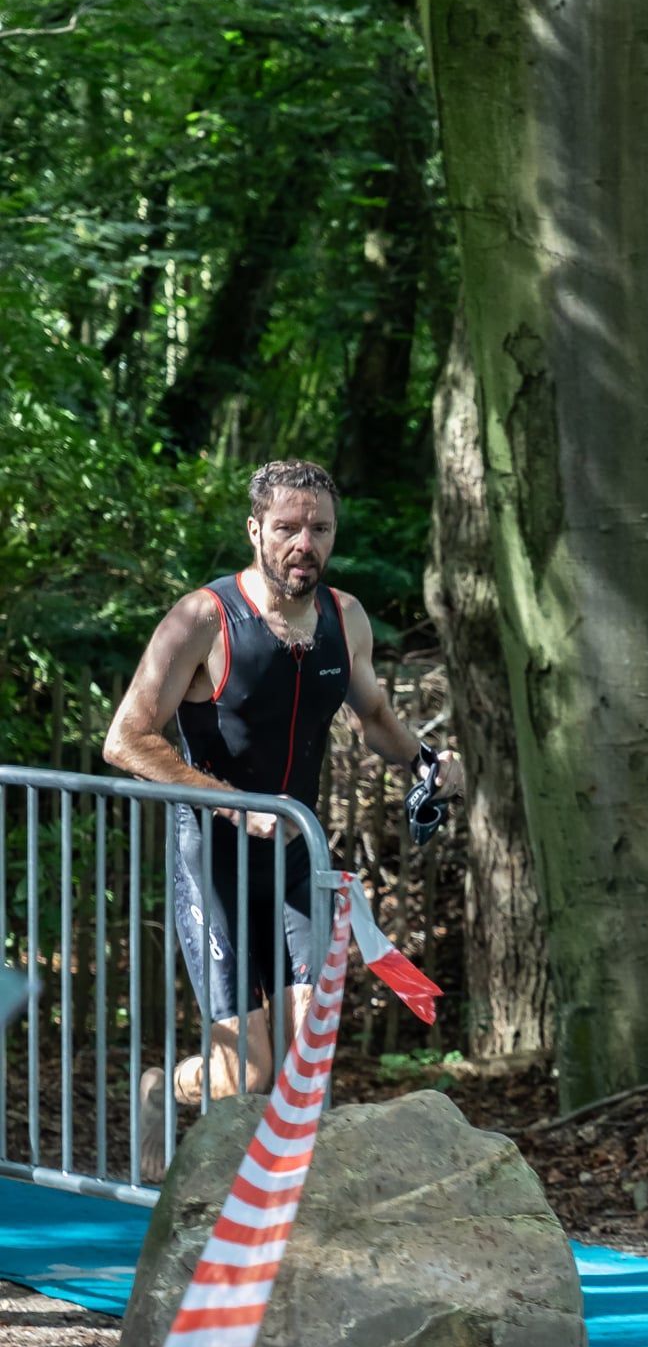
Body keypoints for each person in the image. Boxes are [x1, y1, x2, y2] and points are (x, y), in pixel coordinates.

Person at [104, 459, 463, 1177]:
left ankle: (281, 1211)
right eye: (288, 528)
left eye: (320, 529)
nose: (305, 544)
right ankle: (162, 1087)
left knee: (308, 1061)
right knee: (248, 1074)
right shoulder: (203, 619)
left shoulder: (344, 618)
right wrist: (232, 805)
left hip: (298, 856)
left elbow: (376, 719)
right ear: (255, 531)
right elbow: (126, 738)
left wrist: (427, 761)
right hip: (214, 860)